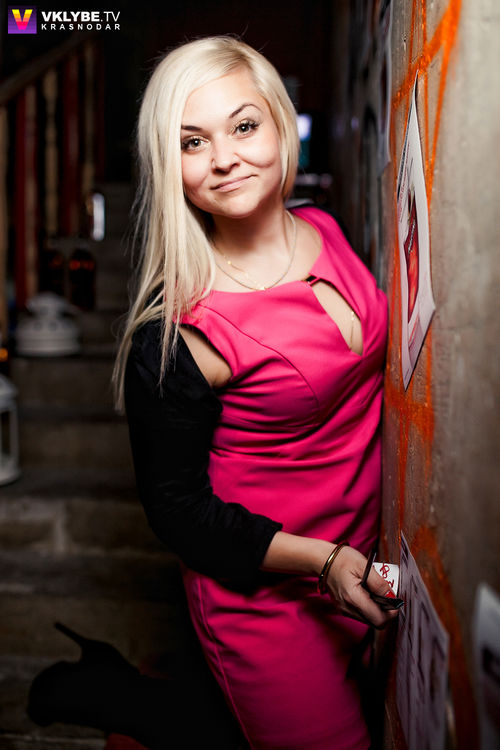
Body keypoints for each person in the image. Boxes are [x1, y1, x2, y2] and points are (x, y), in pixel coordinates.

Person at [113, 35, 399, 750]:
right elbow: (176, 511)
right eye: (192, 141)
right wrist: (323, 561)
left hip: (363, 566)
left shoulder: (325, 229)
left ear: (279, 123)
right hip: (270, 606)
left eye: (243, 126)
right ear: (169, 164)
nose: (224, 158)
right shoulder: (180, 335)